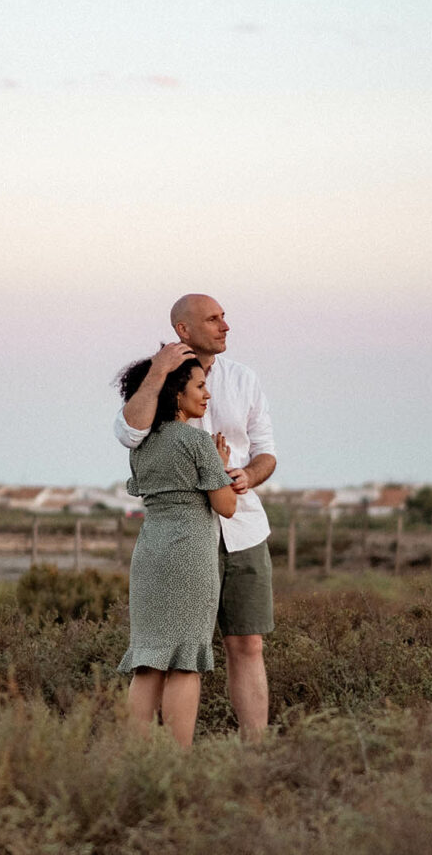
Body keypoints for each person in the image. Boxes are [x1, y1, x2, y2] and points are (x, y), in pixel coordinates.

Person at [114, 294, 276, 741]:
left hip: (240, 530)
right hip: (188, 541)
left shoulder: (244, 379)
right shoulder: (157, 380)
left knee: (245, 644)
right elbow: (130, 432)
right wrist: (160, 372)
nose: (225, 325)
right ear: (184, 329)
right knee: (183, 656)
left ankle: (253, 750)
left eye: (224, 317)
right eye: (213, 319)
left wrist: (245, 475)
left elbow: (267, 454)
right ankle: (177, 759)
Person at [116, 356, 237, 749]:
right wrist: (220, 466)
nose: (207, 394)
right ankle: (176, 762)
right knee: (186, 662)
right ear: (176, 392)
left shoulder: (142, 446)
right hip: (190, 559)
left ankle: (136, 760)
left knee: (148, 662)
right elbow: (226, 506)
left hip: (150, 555)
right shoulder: (198, 442)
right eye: (199, 386)